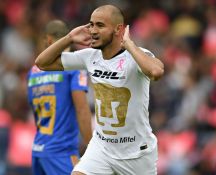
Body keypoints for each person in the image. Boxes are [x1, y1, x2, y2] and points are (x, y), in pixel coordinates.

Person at [35, 4, 164, 175]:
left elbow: (155, 72)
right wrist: (69, 38)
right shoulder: (90, 56)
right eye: (91, 24)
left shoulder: (137, 56)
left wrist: (130, 45)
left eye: (100, 25)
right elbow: (42, 63)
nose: (93, 30)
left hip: (137, 154)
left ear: (118, 29)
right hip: (102, 148)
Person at [27, 20, 92, 175]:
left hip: (38, 149)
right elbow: (82, 109)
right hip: (61, 151)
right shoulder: (75, 67)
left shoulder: (33, 71)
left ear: (48, 39)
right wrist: (92, 148)